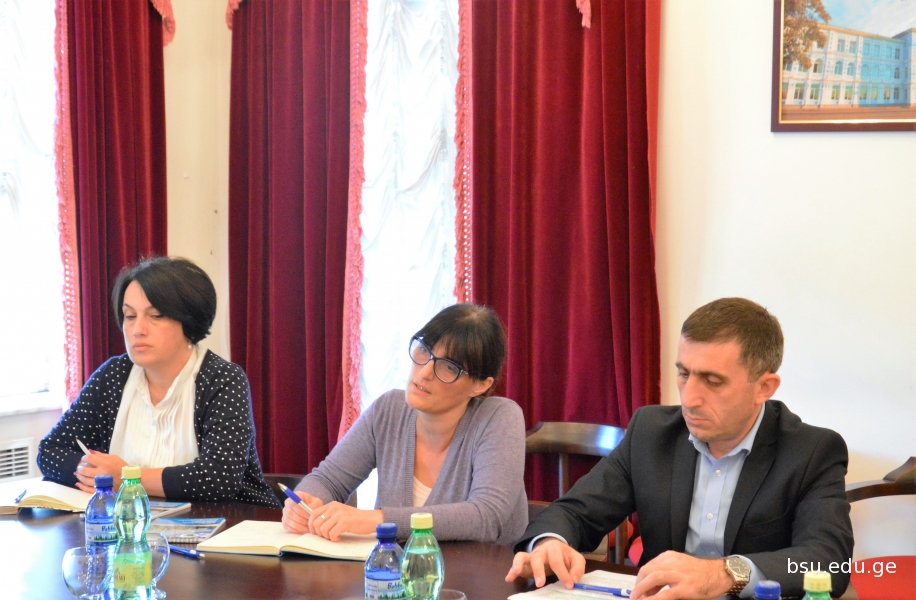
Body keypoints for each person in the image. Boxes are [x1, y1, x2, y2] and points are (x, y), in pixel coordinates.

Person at [506, 298, 854, 599]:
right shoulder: (652, 432)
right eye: (684, 374)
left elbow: (828, 560)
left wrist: (724, 574)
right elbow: (576, 512)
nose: (689, 399)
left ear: (764, 387)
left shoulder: (812, 451)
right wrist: (549, 543)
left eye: (712, 381)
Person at [38, 256, 279, 507]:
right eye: (130, 316)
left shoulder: (222, 379)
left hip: (234, 524)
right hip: (135, 524)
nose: (138, 330)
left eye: (155, 316)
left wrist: (128, 478)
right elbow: (50, 451)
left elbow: (219, 477)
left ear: (188, 321)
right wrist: (95, 472)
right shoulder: (113, 376)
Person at [281, 304, 527, 545]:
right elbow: (328, 480)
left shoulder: (500, 417)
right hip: (395, 571)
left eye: (449, 367)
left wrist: (378, 520)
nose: (424, 373)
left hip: (482, 571)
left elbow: (486, 517)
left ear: (480, 385)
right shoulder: (389, 410)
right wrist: (304, 503)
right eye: (424, 350)